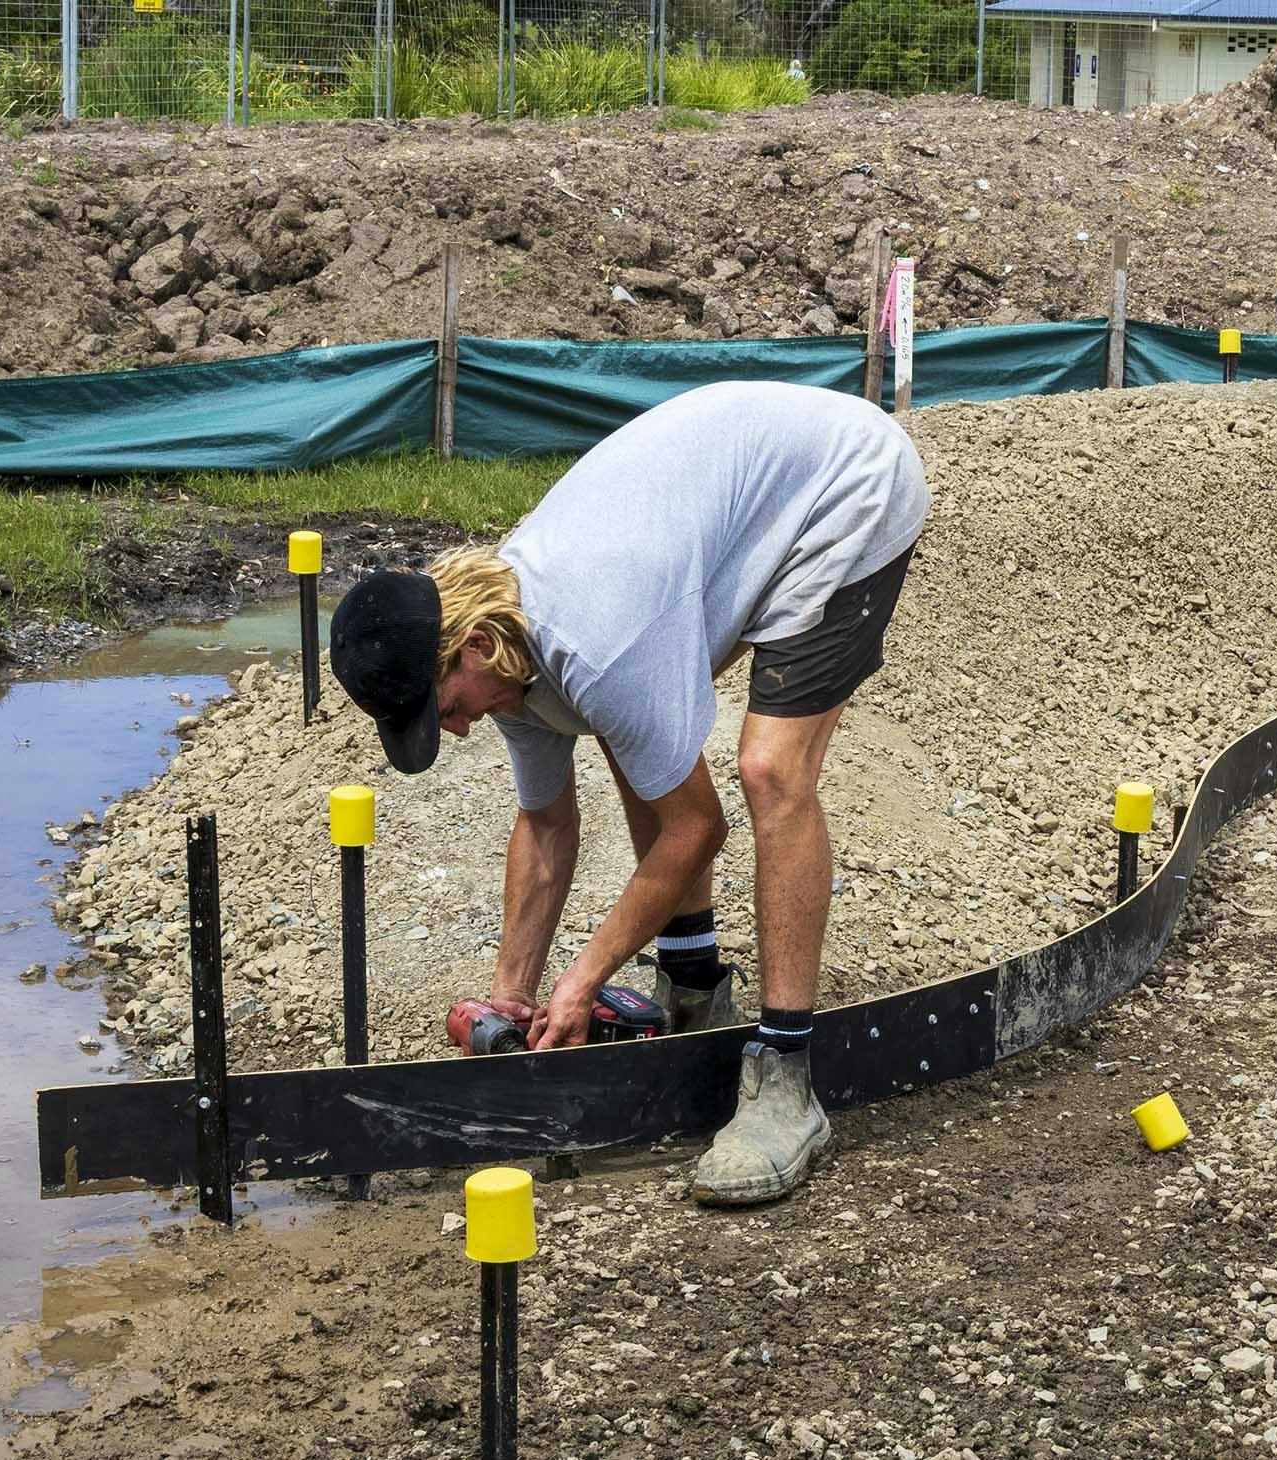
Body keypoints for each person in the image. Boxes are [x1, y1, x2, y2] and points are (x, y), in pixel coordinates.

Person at [328, 380, 930, 1205]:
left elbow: (696, 831)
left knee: (770, 771)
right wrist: (513, 994)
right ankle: (694, 990)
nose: (458, 728)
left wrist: (579, 979)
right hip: (721, 515)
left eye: (448, 708)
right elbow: (545, 827)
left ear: (472, 647)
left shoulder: (593, 638)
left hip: (842, 486)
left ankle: (786, 1080)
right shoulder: (507, 655)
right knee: (630, 734)